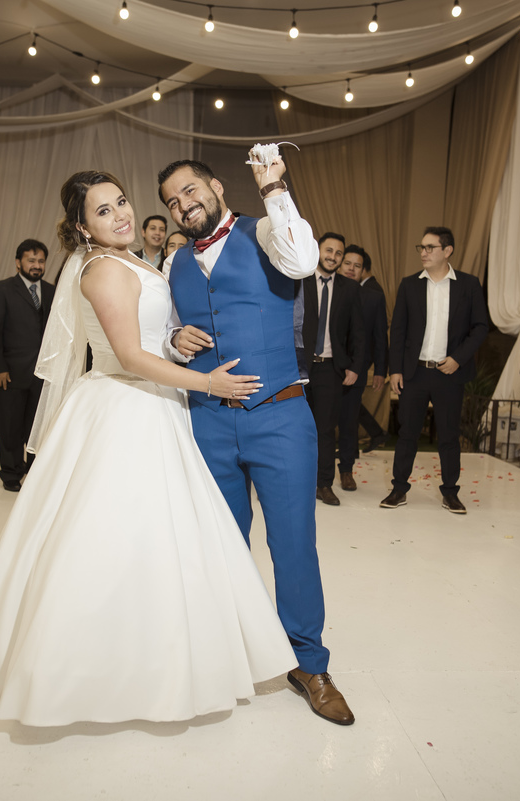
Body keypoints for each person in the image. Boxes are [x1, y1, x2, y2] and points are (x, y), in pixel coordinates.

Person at [0, 170, 295, 726]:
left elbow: (148, 335)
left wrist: (176, 341)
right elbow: (128, 356)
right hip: (127, 407)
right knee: (115, 541)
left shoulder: (133, 260)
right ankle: (96, 675)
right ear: (82, 228)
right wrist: (210, 383)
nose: (121, 215)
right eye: (103, 212)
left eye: (122, 202)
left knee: (162, 538)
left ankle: (167, 661)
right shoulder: (105, 268)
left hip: (154, 404)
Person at [160, 157, 355, 725]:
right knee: (221, 545)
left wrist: (273, 187)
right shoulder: (175, 261)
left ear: (217, 187)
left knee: (293, 546)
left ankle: (308, 665)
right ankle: (227, 651)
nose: (182, 205)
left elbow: (301, 258)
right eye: (172, 200)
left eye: (190, 190)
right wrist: (175, 338)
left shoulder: (266, 229)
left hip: (280, 417)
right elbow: (162, 331)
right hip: (209, 420)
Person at [382, 227, 488, 514]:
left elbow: (481, 327)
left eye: (430, 247)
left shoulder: (468, 284)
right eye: (422, 247)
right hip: (415, 373)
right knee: (407, 434)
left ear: (447, 250)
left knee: (449, 436)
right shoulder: (409, 285)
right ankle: (398, 489)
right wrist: (396, 370)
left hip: (449, 373)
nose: (423, 253)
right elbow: (399, 331)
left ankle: (450, 493)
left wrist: (459, 358)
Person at [0, 238, 55, 492]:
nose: (36, 265)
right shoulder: (0, 290)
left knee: (38, 426)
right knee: (10, 425)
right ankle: (11, 474)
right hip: (10, 372)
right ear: (18, 262)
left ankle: (34, 472)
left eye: (40, 261)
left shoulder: (51, 290)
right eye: (31, 260)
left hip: (43, 372)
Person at [302, 232, 364, 505]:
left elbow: (358, 333)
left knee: (326, 429)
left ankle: (324, 484)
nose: (333, 257)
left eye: (339, 253)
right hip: (298, 367)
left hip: (330, 369)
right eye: (329, 250)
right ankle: (296, 481)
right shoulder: (298, 281)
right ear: (318, 250)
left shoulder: (350, 290)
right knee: (296, 428)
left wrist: (354, 367)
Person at [338, 245, 389, 483]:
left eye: (357, 266)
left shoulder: (374, 298)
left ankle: (347, 470)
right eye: (347, 263)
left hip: (356, 370)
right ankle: (319, 471)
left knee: (349, 422)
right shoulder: (323, 289)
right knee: (321, 423)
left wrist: (380, 370)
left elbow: (380, 337)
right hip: (324, 369)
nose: (351, 269)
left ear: (363, 270)